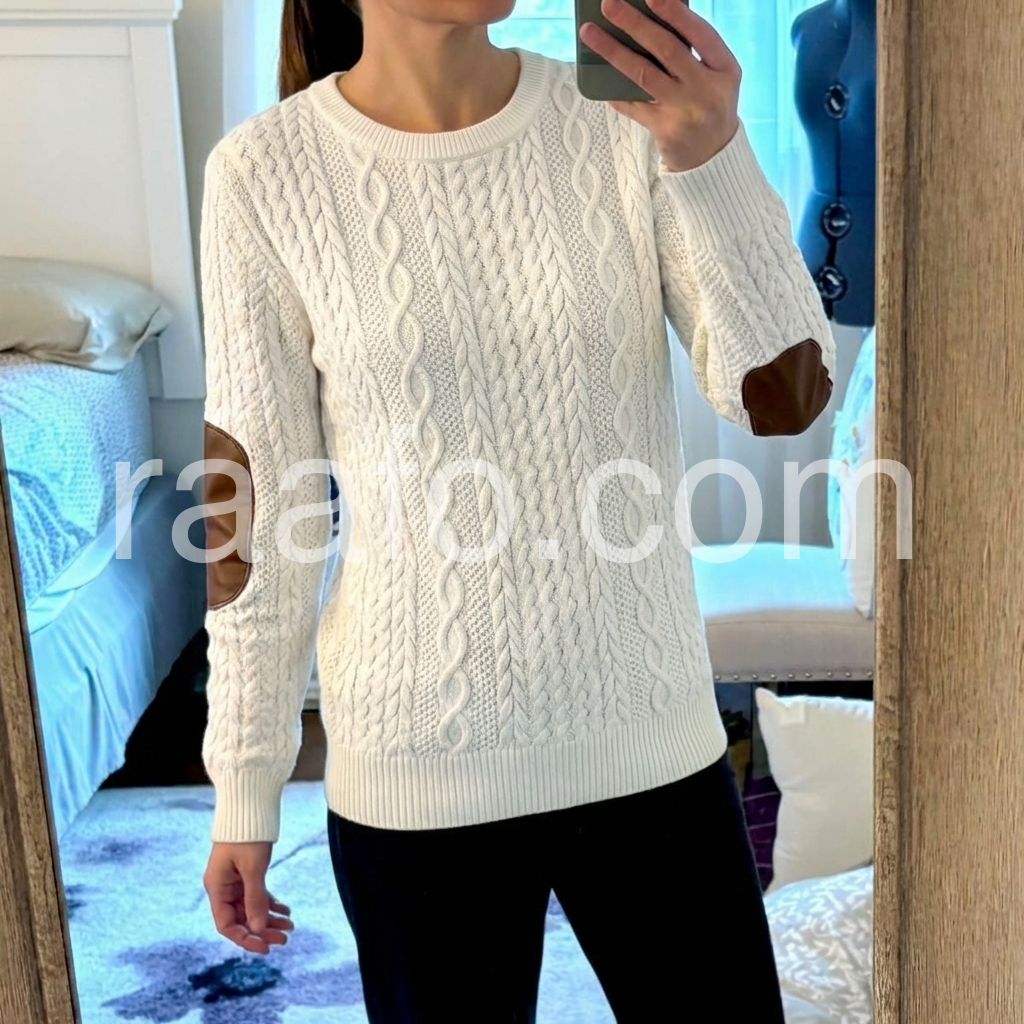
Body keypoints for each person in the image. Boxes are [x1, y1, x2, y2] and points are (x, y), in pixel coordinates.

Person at [198, 0, 836, 1019]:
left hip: (649, 737)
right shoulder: (263, 174)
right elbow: (259, 513)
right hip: (415, 769)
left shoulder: (625, 123)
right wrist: (244, 781)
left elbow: (785, 398)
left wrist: (711, 154)